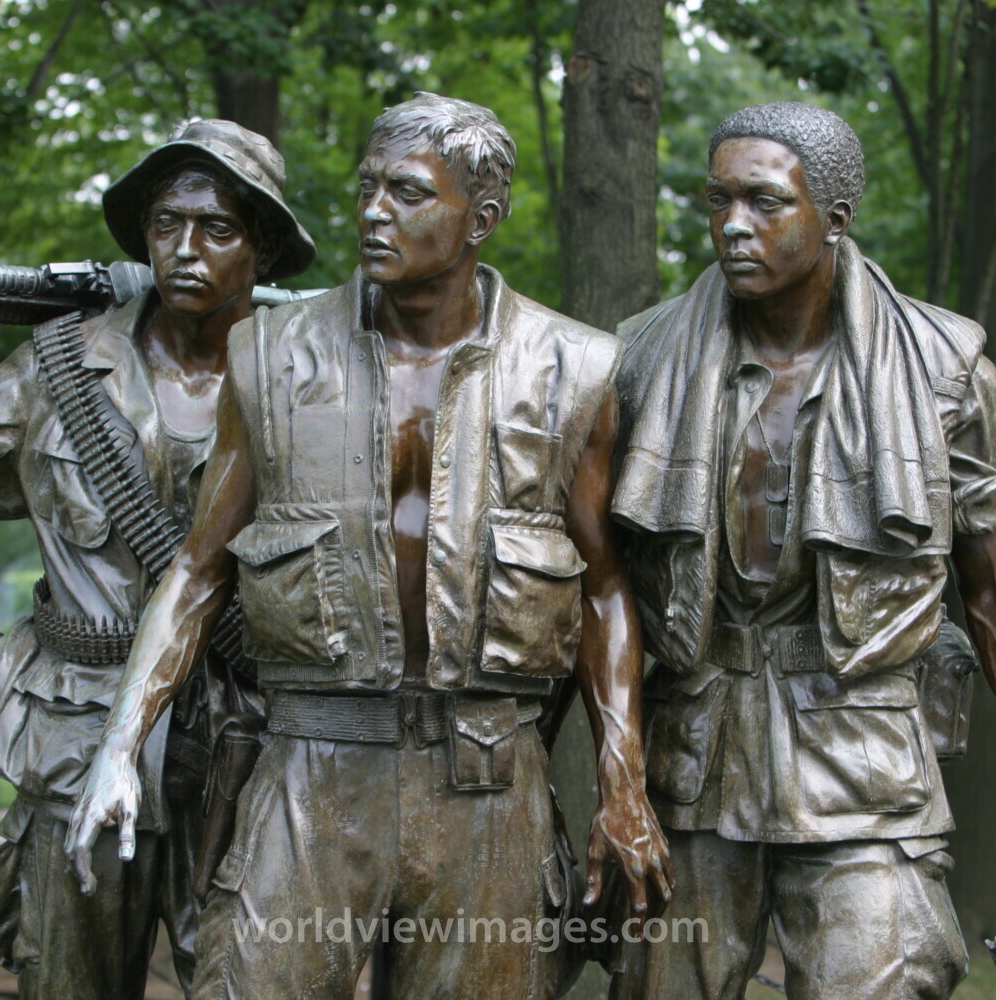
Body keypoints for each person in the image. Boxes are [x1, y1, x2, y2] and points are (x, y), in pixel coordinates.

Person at [68, 92, 671, 999]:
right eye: (366, 189)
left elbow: (605, 589)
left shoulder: (574, 369)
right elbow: (198, 572)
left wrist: (623, 781)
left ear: (483, 219)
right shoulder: (267, 356)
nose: (373, 213)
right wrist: (122, 742)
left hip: (486, 780)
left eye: (408, 193)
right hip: (312, 766)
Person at [0, 120, 314, 1000]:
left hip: (248, 751)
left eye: (217, 228)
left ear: (261, 247)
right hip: (74, 743)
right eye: (164, 224)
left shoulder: (311, 383)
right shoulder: (59, 368)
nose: (184, 249)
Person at [607, 102, 996, 1000]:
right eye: (717, 200)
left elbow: (995, 588)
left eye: (764, 202)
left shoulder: (945, 368)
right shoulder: (639, 360)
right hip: (692, 763)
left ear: (835, 217)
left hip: (863, 764)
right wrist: (611, 780)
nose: (732, 225)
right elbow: (596, 588)